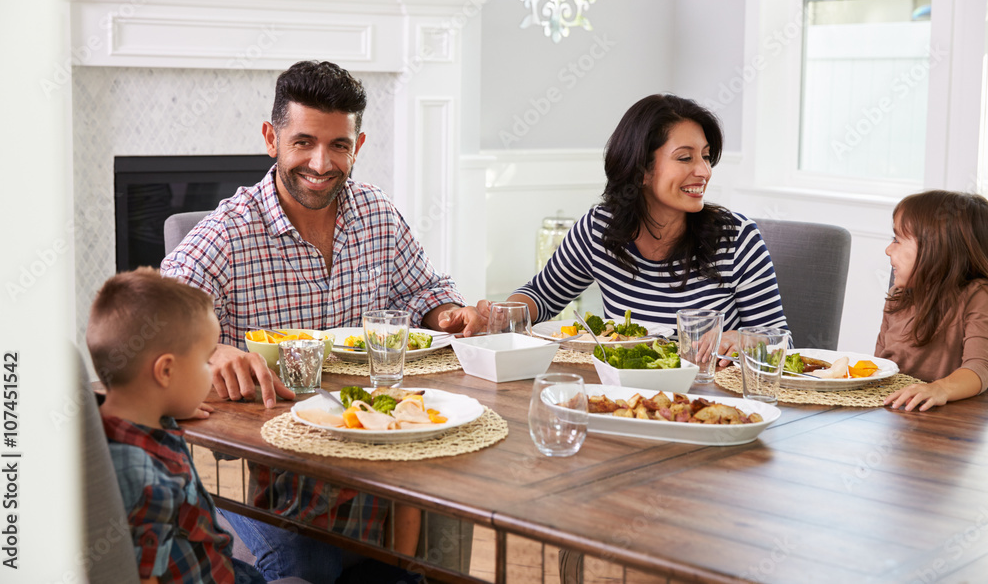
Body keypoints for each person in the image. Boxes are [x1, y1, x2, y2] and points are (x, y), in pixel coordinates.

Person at [162, 60, 470, 583]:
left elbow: (427, 293)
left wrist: (451, 314)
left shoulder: (377, 215)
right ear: (271, 138)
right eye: (303, 142)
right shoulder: (229, 232)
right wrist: (211, 351)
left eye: (339, 146)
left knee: (415, 555)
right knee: (309, 562)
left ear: (358, 144)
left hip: (360, 446)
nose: (321, 163)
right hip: (260, 466)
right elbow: (158, 319)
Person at [480, 94, 787, 355]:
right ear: (641, 169)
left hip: (714, 401)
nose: (704, 171)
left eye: (706, 157)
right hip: (624, 397)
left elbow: (780, 340)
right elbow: (542, 296)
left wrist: (744, 340)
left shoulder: (737, 238)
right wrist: (499, 315)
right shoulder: (599, 230)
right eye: (685, 158)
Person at [86, 268, 266, 584]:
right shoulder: (145, 476)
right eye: (205, 361)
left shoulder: (110, 425)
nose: (211, 373)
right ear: (166, 371)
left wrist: (168, 403)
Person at [881, 190, 988, 411]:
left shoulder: (978, 297)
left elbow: (980, 367)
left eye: (897, 240)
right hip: (895, 416)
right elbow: (881, 368)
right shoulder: (897, 297)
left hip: (946, 425)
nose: (888, 250)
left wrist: (940, 389)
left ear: (936, 248)